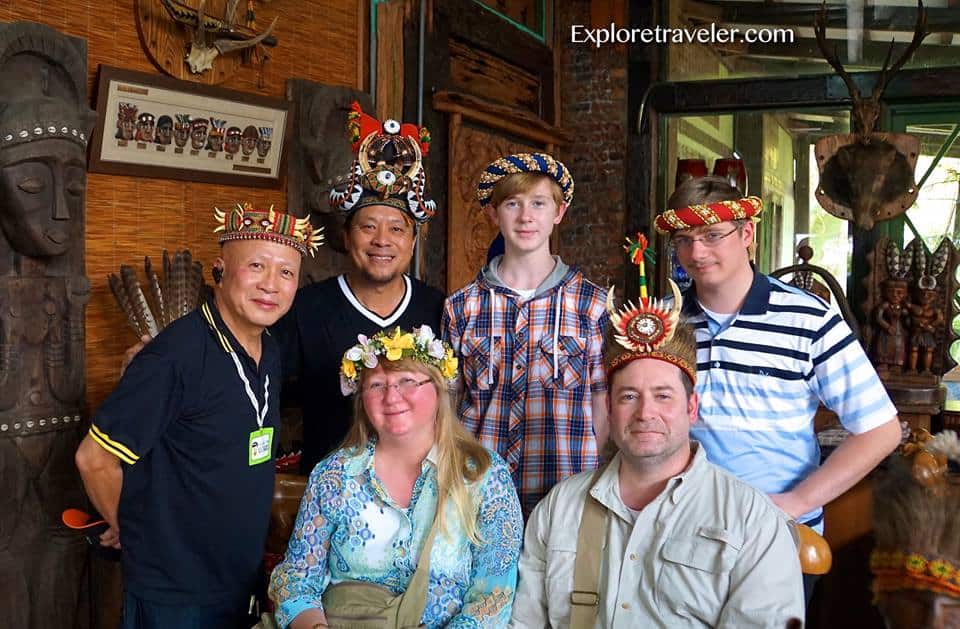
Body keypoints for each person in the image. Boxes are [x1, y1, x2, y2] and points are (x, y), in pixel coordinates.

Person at [75, 203, 323, 628]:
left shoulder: (271, 348)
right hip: (177, 592)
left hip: (237, 576)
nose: (271, 284)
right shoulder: (175, 356)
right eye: (257, 266)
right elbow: (94, 459)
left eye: (286, 273)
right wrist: (134, 531)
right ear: (220, 269)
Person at [510, 278, 805, 628]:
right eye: (629, 396)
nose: (645, 413)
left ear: (691, 407)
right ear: (609, 407)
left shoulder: (752, 521)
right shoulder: (560, 508)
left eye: (663, 396)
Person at [656, 176, 901, 593]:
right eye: (683, 240)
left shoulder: (808, 319)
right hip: (679, 531)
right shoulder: (661, 322)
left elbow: (881, 429)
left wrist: (796, 504)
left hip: (777, 535)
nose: (695, 252)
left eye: (712, 235)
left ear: (747, 233)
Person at [268, 325, 523, 628]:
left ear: (439, 389)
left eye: (407, 381)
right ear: (361, 398)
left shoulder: (484, 475)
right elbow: (296, 581)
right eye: (377, 385)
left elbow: (492, 598)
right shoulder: (333, 476)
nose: (392, 397)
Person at [274, 102, 445, 472]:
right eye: (368, 227)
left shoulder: (439, 310)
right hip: (331, 492)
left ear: (413, 242)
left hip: (420, 489)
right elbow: (257, 375)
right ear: (346, 237)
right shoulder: (306, 309)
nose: (381, 240)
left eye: (396, 229)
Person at [443, 153, 608, 517]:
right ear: (492, 213)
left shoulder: (591, 304)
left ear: (558, 212)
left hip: (566, 495)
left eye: (538, 203)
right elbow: (448, 405)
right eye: (512, 204)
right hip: (478, 492)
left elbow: (602, 407)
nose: (525, 216)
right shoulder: (462, 306)